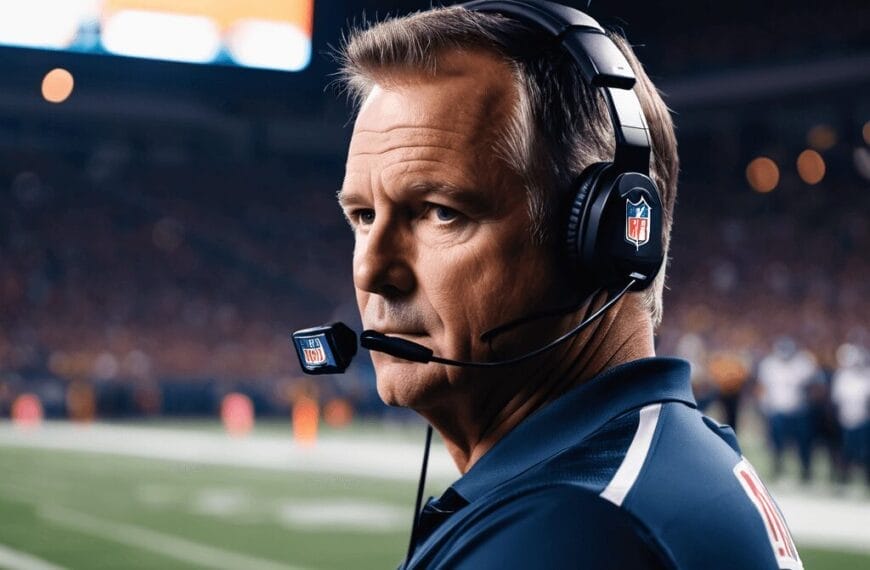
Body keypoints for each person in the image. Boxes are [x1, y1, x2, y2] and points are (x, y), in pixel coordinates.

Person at [335, 1, 802, 568]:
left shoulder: (571, 529)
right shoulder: (657, 458)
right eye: (362, 216)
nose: (370, 271)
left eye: (440, 212)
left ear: (607, 239)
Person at [756, 336, 821, 481]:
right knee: (776, 444)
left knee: (803, 445)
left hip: (799, 411)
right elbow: (762, 388)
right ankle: (777, 468)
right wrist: (764, 406)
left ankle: (805, 471)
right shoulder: (769, 365)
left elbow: (813, 386)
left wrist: (809, 403)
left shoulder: (803, 363)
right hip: (777, 411)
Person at [831, 343, 870, 485]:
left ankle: (866, 481)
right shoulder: (842, 377)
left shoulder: (866, 375)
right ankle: (844, 479)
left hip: (864, 420)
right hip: (846, 420)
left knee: (866, 454)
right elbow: (837, 400)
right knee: (847, 452)